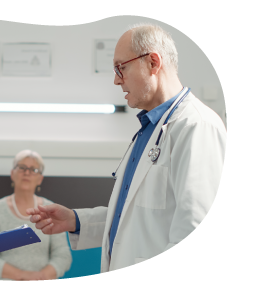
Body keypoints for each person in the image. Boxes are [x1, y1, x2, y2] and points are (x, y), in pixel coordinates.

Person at [27, 23, 227, 281]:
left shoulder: (196, 125)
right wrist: (76, 220)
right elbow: (137, 217)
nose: (116, 79)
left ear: (153, 63)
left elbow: (198, 234)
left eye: (121, 67)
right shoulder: (148, 131)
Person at [0, 150, 72, 281]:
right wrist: (23, 276)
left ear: (40, 179)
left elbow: (63, 255)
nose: (27, 172)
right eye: (22, 167)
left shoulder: (50, 209)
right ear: (12, 174)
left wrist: (41, 277)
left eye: (33, 169)